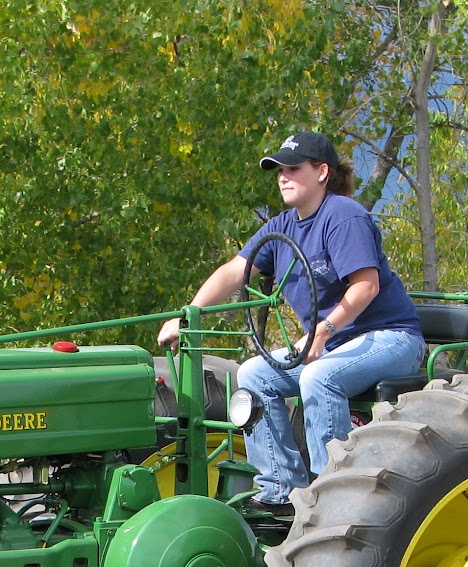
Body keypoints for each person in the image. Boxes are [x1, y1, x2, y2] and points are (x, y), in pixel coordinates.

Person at [158, 131, 425, 516]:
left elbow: (366, 287)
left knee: (319, 378)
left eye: (293, 169)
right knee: (253, 375)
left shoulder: (343, 215)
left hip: (390, 338)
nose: (283, 177)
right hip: (335, 343)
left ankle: (332, 495)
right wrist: (187, 315)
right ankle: (280, 493)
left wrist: (322, 332)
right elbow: (235, 271)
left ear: (321, 172)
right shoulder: (281, 227)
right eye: (279, 170)